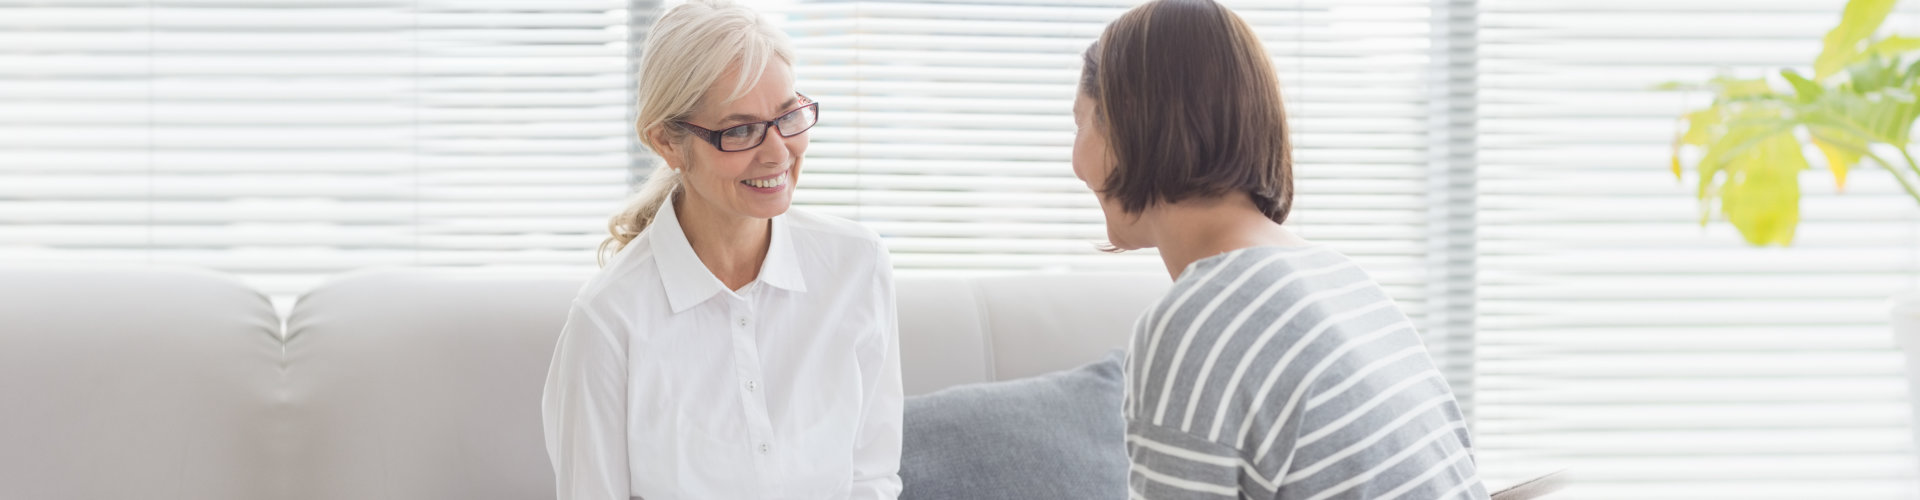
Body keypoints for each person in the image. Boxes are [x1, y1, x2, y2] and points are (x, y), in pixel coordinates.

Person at [1071, 0, 1487, 498]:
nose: (1074, 161)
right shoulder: (1348, 284)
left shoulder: (1194, 328)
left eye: (1081, 123)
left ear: (1130, 125)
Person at [541, 1, 902, 498]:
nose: (778, 152)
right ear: (667, 142)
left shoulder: (856, 267)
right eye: (740, 130)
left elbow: (873, 477)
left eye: (787, 115)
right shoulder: (608, 319)